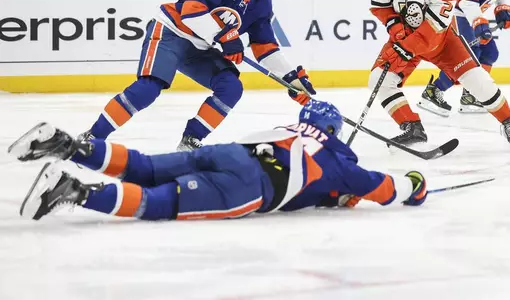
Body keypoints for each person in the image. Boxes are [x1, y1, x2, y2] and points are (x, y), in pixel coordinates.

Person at [9, 100, 428, 221]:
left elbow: (316, 188)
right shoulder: (339, 157)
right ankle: (75, 190)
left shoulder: (284, 128)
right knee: (161, 202)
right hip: (253, 185)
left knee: (144, 167)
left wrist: (330, 195)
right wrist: (415, 185)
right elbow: (382, 187)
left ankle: (68, 145)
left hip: (231, 151)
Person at [78, 0, 316, 151]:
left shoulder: (262, 3)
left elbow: (265, 47)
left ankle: (191, 139)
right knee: (149, 88)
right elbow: (191, 11)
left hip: (199, 48)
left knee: (231, 87)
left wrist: (291, 78)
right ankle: (92, 136)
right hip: (172, 32)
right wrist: (226, 36)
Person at [367, 0, 510, 150]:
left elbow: (431, 33)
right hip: (404, 39)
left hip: (443, 43)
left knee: (479, 80)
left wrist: (404, 47)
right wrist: (395, 27)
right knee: (378, 79)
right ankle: (412, 127)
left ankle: (508, 121)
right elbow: (379, 5)